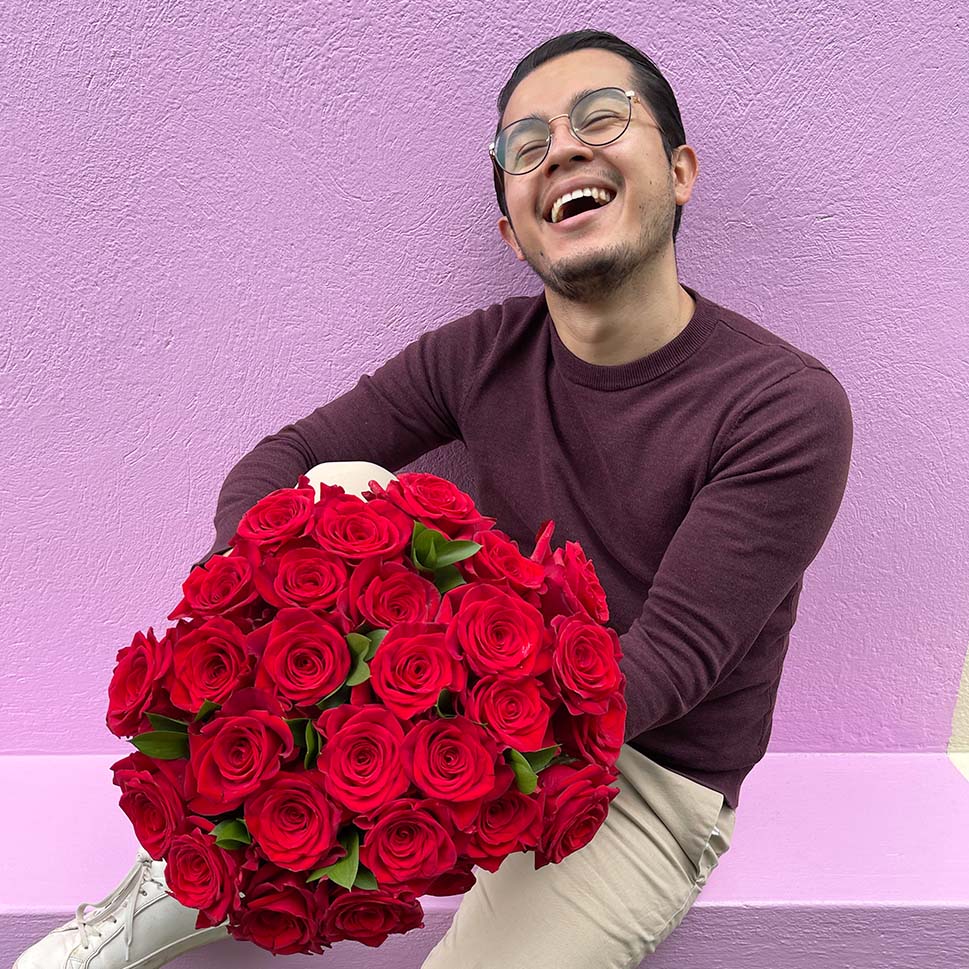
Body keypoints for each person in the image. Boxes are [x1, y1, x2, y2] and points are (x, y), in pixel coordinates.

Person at [14, 28, 853, 969]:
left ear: (681, 169)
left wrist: (424, 734)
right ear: (513, 226)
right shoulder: (480, 352)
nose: (564, 150)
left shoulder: (781, 407)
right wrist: (265, 639)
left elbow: (665, 669)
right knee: (326, 521)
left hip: (646, 776)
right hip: (467, 710)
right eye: (526, 147)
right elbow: (287, 456)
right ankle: (186, 880)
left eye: (601, 120)